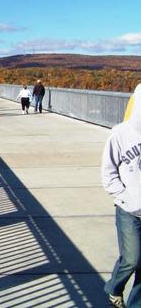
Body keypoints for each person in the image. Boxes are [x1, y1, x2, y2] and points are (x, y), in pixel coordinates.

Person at [102, 84, 141, 308]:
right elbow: (108, 173)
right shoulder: (120, 134)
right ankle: (114, 287)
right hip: (129, 210)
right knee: (132, 259)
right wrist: (126, 197)